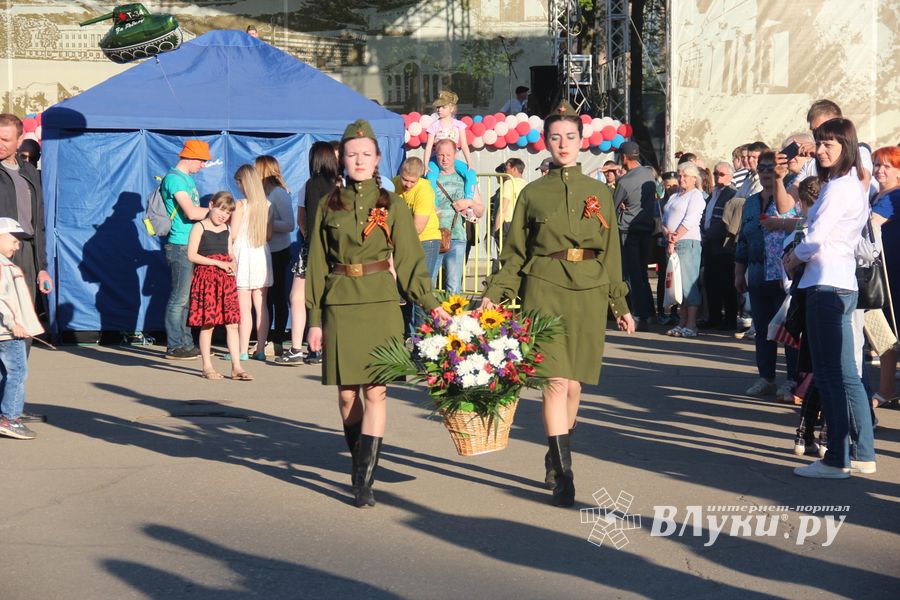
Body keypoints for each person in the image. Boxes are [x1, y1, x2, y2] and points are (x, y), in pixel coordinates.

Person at [481, 100, 635, 508]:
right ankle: (565, 473)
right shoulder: (532, 193)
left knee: (575, 384)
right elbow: (514, 253)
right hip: (544, 287)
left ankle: (554, 452)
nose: (562, 144)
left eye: (569, 137)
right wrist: (493, 295)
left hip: (588, 290)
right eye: (555, 137)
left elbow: (611, 252)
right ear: (545, 142)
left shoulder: (600, 191)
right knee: (555, 380)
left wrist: (620, 304)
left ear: (582, 142)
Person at [305, 119, 450, 508]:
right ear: (341, 159)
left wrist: (432, 307)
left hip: (381, 304)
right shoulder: (327, 205)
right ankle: (359, 459)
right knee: (346, 395)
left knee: (377, 391)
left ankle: (363, 480)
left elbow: (410, 262)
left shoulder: (394, 205)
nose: (359, 160)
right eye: (352, 154)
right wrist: (313, 320)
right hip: (340, 302)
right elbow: (317, 264)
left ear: (377, 159)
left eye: (366, 154)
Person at [783, 118, 874, 478]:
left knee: (829, 374)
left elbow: (817, 238)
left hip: (826, 284)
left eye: (828, 145)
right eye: (819, 144)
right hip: (841, 283)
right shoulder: (850, 184)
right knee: (846, 374)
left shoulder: (839, 188)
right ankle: (863, 452)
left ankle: (837, 457)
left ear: (846, 148)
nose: (820, 151)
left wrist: (793, 257)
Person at [735, 151, 801, 398]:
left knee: (789, 330)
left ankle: (793, 379)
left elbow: (792, 217)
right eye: (762, 168)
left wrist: (779, 181)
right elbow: (743, 238)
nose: (765, 173)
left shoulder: (788, 196)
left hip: (783, 273)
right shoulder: (751, 202)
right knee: (763, 329)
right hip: (757, 270)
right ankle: (766, 376)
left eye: (770, 168)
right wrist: (739, 272)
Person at [276, 142, 341, 366]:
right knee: (328, 299)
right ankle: (324, 348)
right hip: (336, 250)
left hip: (311, 247)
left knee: (297, 296)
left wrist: (308, 235)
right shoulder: (341, 184)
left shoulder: (308, 185)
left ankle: (296, 348)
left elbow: (302, 218)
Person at [186, 192, 250, 381]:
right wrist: (217, 264)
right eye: (221, 209)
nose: (223, 215)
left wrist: (233, 264)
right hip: (206, 280)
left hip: (225, 280)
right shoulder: (199, 227)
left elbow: (230, 253)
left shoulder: (228, 229)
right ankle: (207, 366)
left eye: (228, 212)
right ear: (211, 205)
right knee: (208, 324)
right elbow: (192, 255)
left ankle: (236, 367)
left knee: (232, 324)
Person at [160, 139, 210, 360]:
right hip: (180, 245)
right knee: (179, 298)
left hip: (188, 244)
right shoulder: (174, 180)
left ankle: (185, 342)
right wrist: (218, 212)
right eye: (202, 161)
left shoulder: (185, 179)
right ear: (190, 157)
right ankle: (175, 345)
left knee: (186, 298)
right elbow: (190, 212)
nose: (203, 165)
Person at [0, 218, 43, 440]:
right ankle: (11, 418)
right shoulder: (3, 266)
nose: (17, 246)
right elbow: (2, 299)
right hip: (8, 332)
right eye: (14, 240)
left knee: (5, 373)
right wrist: (13, 322)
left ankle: (4, 415)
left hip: (6, 331)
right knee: (17, 372)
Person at [393, 157, 442, 336]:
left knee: (420, 287)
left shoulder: (424, 190)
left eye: (412, 181)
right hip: (402, 241)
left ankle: (422, 336)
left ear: (419, 178)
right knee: (403, 290)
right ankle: (405, 333)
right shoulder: (394, 184)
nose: (406, 184)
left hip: (425, 240)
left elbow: (417, 227)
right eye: (404, 179)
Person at [230, 164, 273, 361]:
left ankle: (241, 351)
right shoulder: (267, 205)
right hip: (261, 254)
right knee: (261, 306)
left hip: (243, 254)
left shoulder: (240, 205)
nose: (237, 186)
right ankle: (261, 349)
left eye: (238, 182)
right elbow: (269, 235)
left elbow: (234, 234)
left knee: (244, 308)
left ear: (244, 183)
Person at [613, 141, 657, 331]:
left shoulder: (624, 181)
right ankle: (649, 312)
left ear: (623, 157)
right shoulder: (649, 174)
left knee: (632, 275)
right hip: (646, 229)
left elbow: (611, 207)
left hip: (628, 231)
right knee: (642, 274)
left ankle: (639, 314)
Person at [869, 146, 900, 408]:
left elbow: (870, 225)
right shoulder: (880, 195)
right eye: (877, 164)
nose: (880, 170)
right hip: (884, 275)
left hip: (894, 277)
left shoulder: (894, 196)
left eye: (887, 166)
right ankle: (887, 388)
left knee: (891, 331)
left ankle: (887, 388)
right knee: (884, 333)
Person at [255, 155, 295, 356]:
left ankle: (277, 339)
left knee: (278, 296)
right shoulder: (258, 193)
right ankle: (263, 338)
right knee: (263, 297)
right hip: (260, 251)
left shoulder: (279, 193)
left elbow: (289, 224)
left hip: (278, 251)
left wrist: (267, 222)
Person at [433, 139, 483, 293]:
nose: (444, 159)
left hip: (457, 238)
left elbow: (480, 211)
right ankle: (427, 317)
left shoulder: (466, 179)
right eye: (441, 155)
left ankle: (454, 317)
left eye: (448, 155)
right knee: (428, 284)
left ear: (456, 154)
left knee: (454, 287)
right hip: (433, 237)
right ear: (435, 154)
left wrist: (468, 202)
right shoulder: (429, 177)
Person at [661, 162, 705, 337]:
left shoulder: (696, 196)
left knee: (688, 283)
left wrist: (675, 237)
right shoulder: (675, 196)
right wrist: (668, 235)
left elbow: (690, 219)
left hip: (687, 242)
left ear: (694, 178)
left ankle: (692, 323)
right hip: (672, 243)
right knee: (677, 284)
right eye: (680, 175)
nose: (682, 178)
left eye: (686, 175)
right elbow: (664, 219)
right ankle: (682, 321)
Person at [700, 162, 739, 330]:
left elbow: (726, 222)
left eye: (722, 174)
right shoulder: (713, 194)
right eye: (716, 174)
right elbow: (706, 216)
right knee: (711, 283)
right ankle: (714, 317)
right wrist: (703, 231)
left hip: (724, 246)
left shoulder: (732, 194)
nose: (718, 177)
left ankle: (730, 320)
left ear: (730, 177)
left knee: (727, 285)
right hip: (710, 245)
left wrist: (709, 234)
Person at [423, 90, 474, 171]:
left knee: (470, 173)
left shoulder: (459, 125)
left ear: (452, 108)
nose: (439, 110)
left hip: (452, 161)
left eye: (443, 107)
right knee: (431, 175)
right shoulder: (434, 126)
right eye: (438, 107)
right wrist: (425, 165)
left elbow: (464, 145)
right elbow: (428, 147)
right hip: (435, 160)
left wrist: (470, 163)